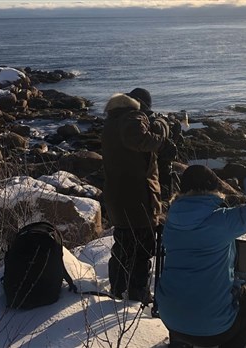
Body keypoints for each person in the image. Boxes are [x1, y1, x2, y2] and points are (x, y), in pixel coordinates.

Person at [156, 164, 246, 348]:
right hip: (215, 332)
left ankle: (181, 342)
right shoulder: (222, 221)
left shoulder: (171, 222)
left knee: (185, 290)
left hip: (170, 320)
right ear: (213, 188)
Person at [101, 87, 169, 302]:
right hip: (137, 199)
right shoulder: (132, 117)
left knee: (122, 245)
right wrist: (162, 127)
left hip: (118, 197)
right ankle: (137, 294)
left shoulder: (112, 121)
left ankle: (117, 289)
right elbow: (144, 141)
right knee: (141, 250)